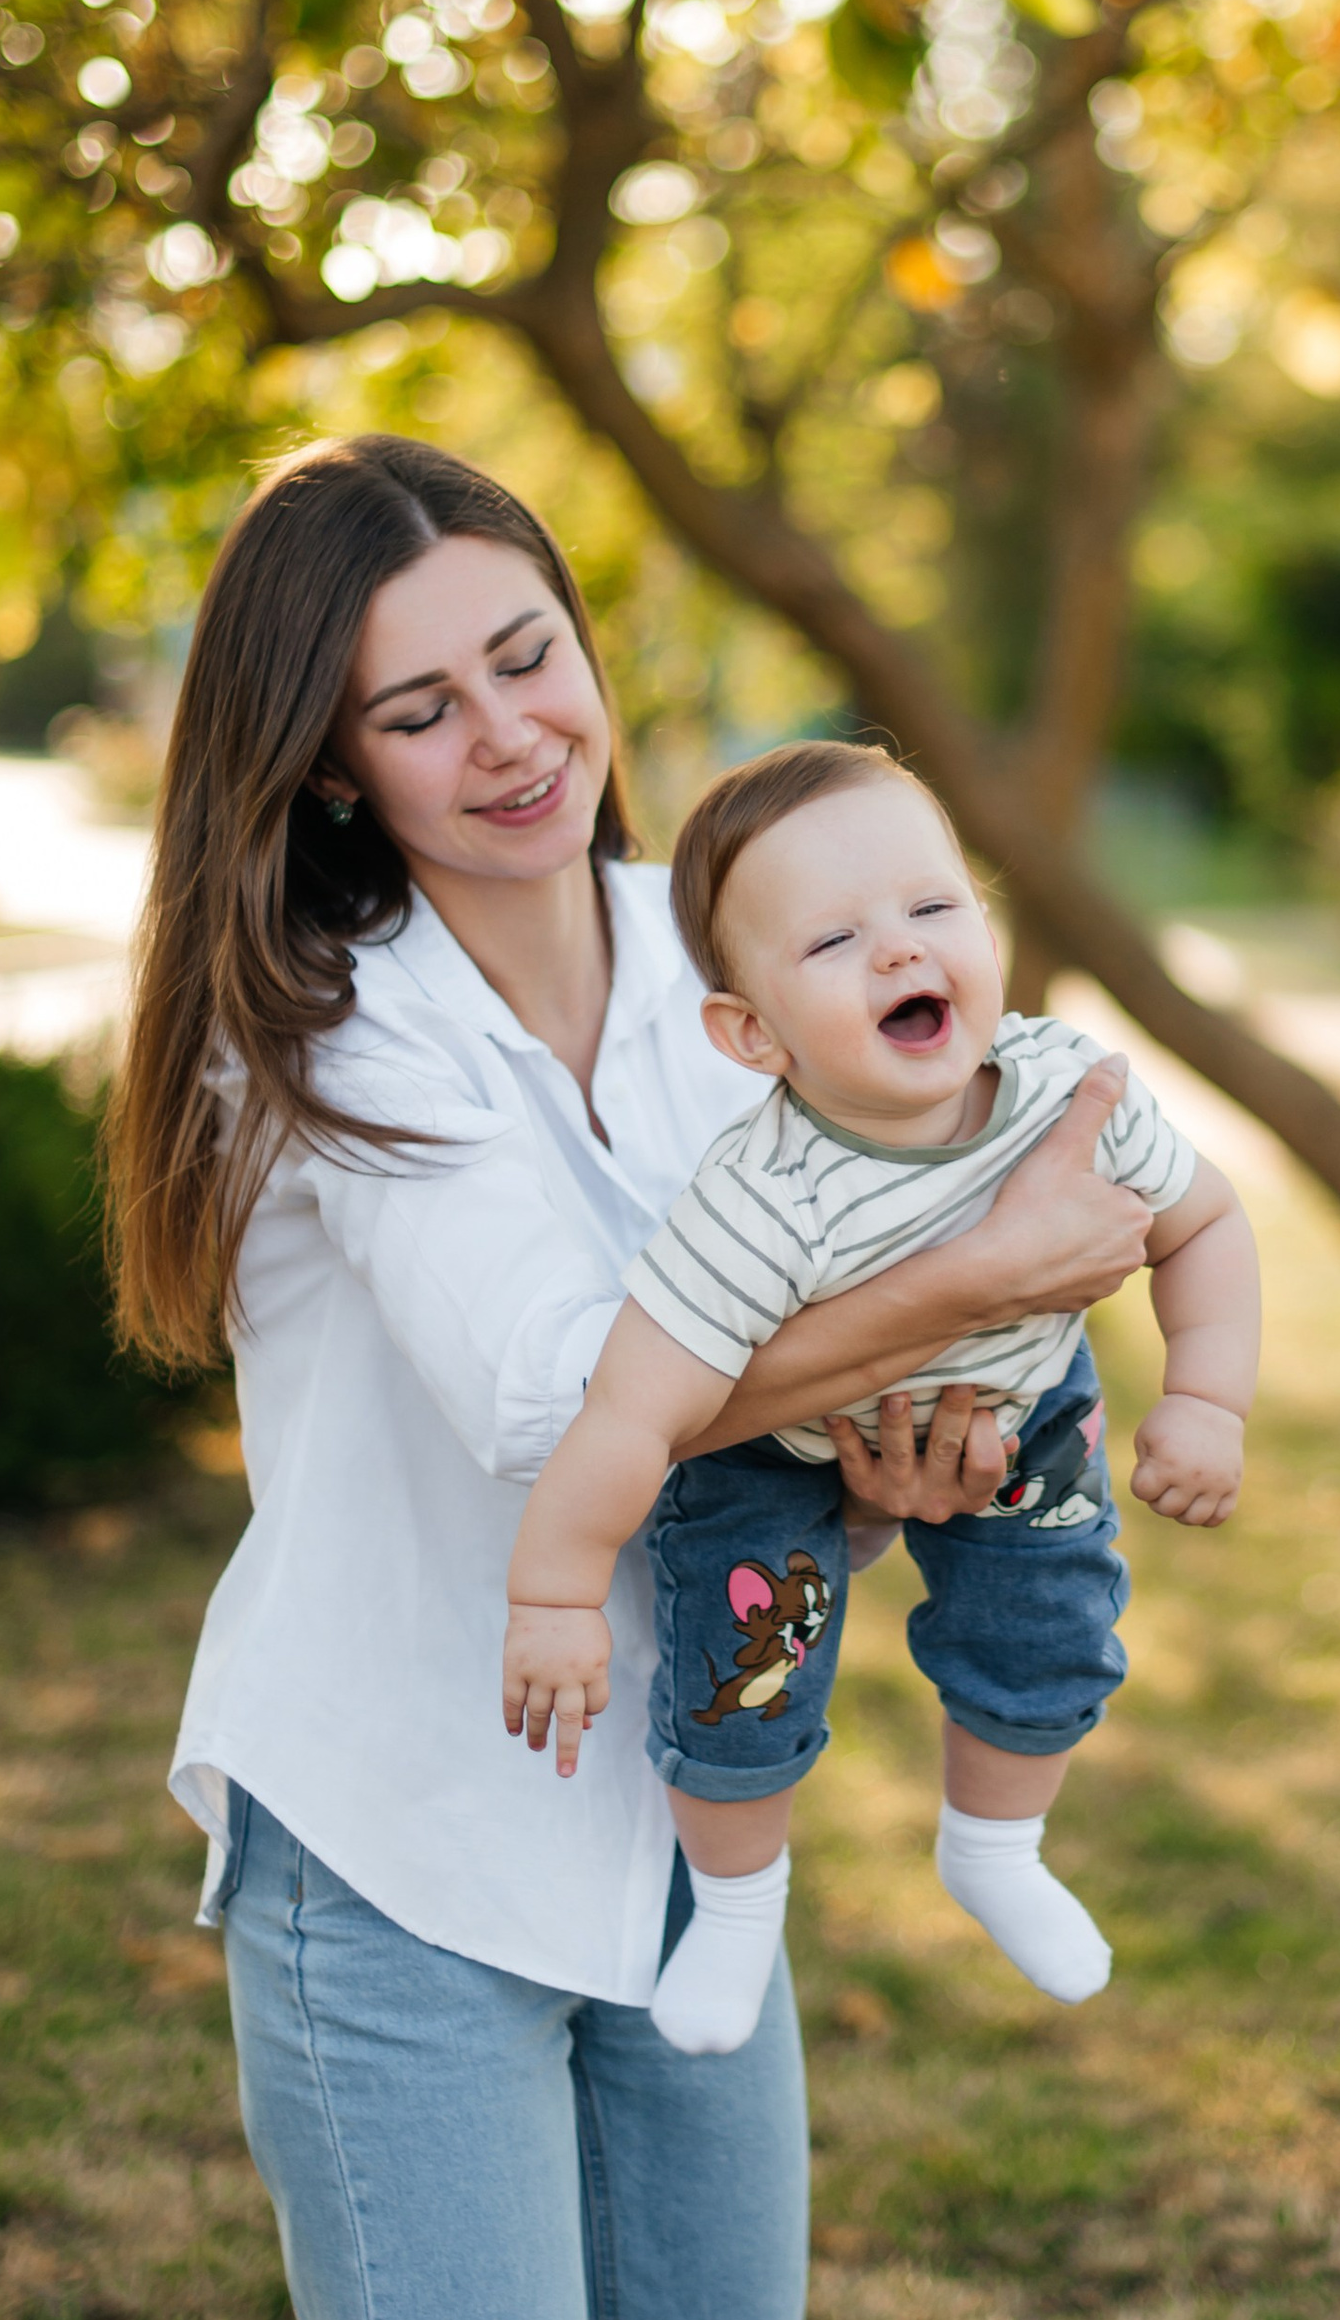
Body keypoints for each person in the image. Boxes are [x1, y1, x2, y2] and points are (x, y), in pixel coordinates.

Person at [103, 434, 1156, 2320]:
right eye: (412, 708)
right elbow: (551, 1401)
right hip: (397, 1867)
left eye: (526, 654)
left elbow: (767, 1418)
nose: (503, 735)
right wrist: (981, 1275)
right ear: (323, 765)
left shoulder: (731, 983)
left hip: (687, 1842)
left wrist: (917, 1434)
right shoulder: (330, 1028)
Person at [500, 739, 1262, 2058]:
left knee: (1053, 1621)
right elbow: (634, 1412)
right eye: (837, 939)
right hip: (784, 1444)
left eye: (931, 908)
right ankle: (738, 1907)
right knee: (742, 1671)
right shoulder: (762, 1199)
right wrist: (554, 1593)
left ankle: (996, 1846)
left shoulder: (1068, 1092)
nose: (903, 952)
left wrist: (1205, 1396)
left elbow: (1204, 1223)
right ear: (752, 1035)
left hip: (1016, 1402)